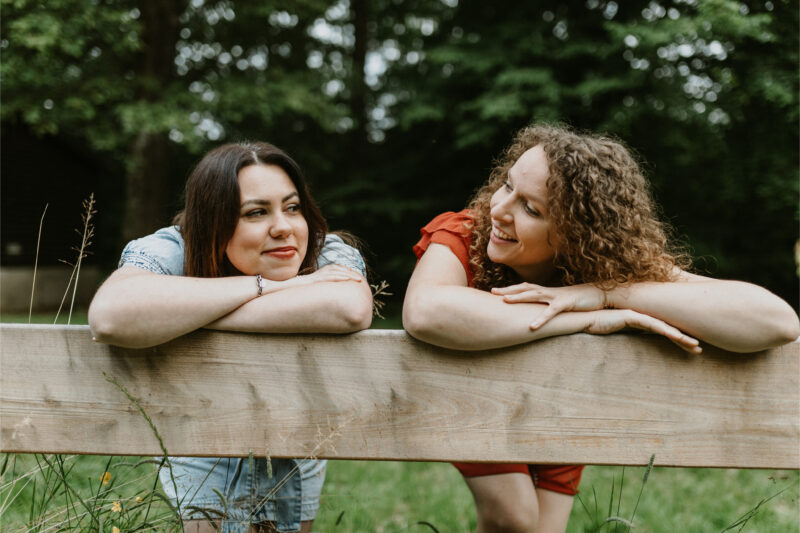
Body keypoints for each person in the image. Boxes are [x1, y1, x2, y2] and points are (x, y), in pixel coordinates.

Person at [402, 123, 799, 533]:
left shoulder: (607, 263)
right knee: (514, 517)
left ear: (577, 235)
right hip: (474, 391)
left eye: (531, 209)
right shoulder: (465, 231)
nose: (499, 210)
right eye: (506, 186)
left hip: (558, 405)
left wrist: (605, 293)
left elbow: (776, 321)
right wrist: (585, 319)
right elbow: (426, 312)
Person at [89, 142, 373, 533]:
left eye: (292, 207)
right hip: (200, 439)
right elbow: (110, 316)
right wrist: (266, 286)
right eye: (256, 212)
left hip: (294, 445)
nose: (283, 227)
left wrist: (195, 313)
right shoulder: (176, 246)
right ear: (212, 221)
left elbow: (350, 308)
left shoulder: (324, 249)